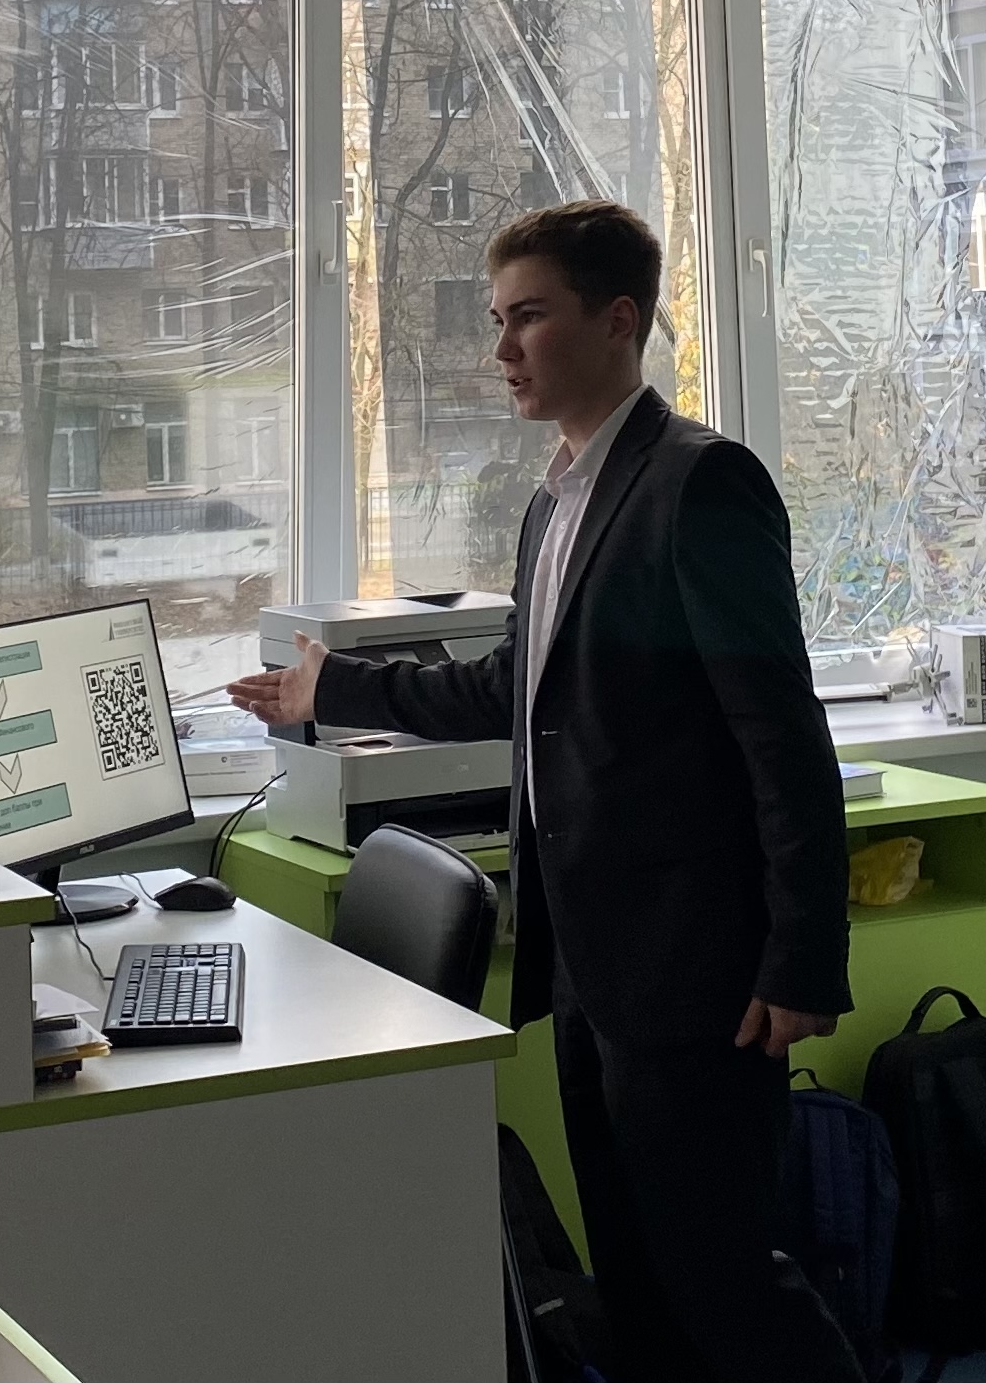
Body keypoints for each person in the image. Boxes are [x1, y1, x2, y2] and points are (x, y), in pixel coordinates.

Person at [228, 200, 857, 1383]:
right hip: (587, 964)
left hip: (697, 966)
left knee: (724, 1279)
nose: (501, 349)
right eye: (496, 319)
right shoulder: (555, 499)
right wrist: (331, 687)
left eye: (527, 316)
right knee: (633, 1274)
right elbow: (515, 685)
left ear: (617, 320)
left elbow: (781, 734)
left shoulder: (700, 483)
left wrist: (802, 957)